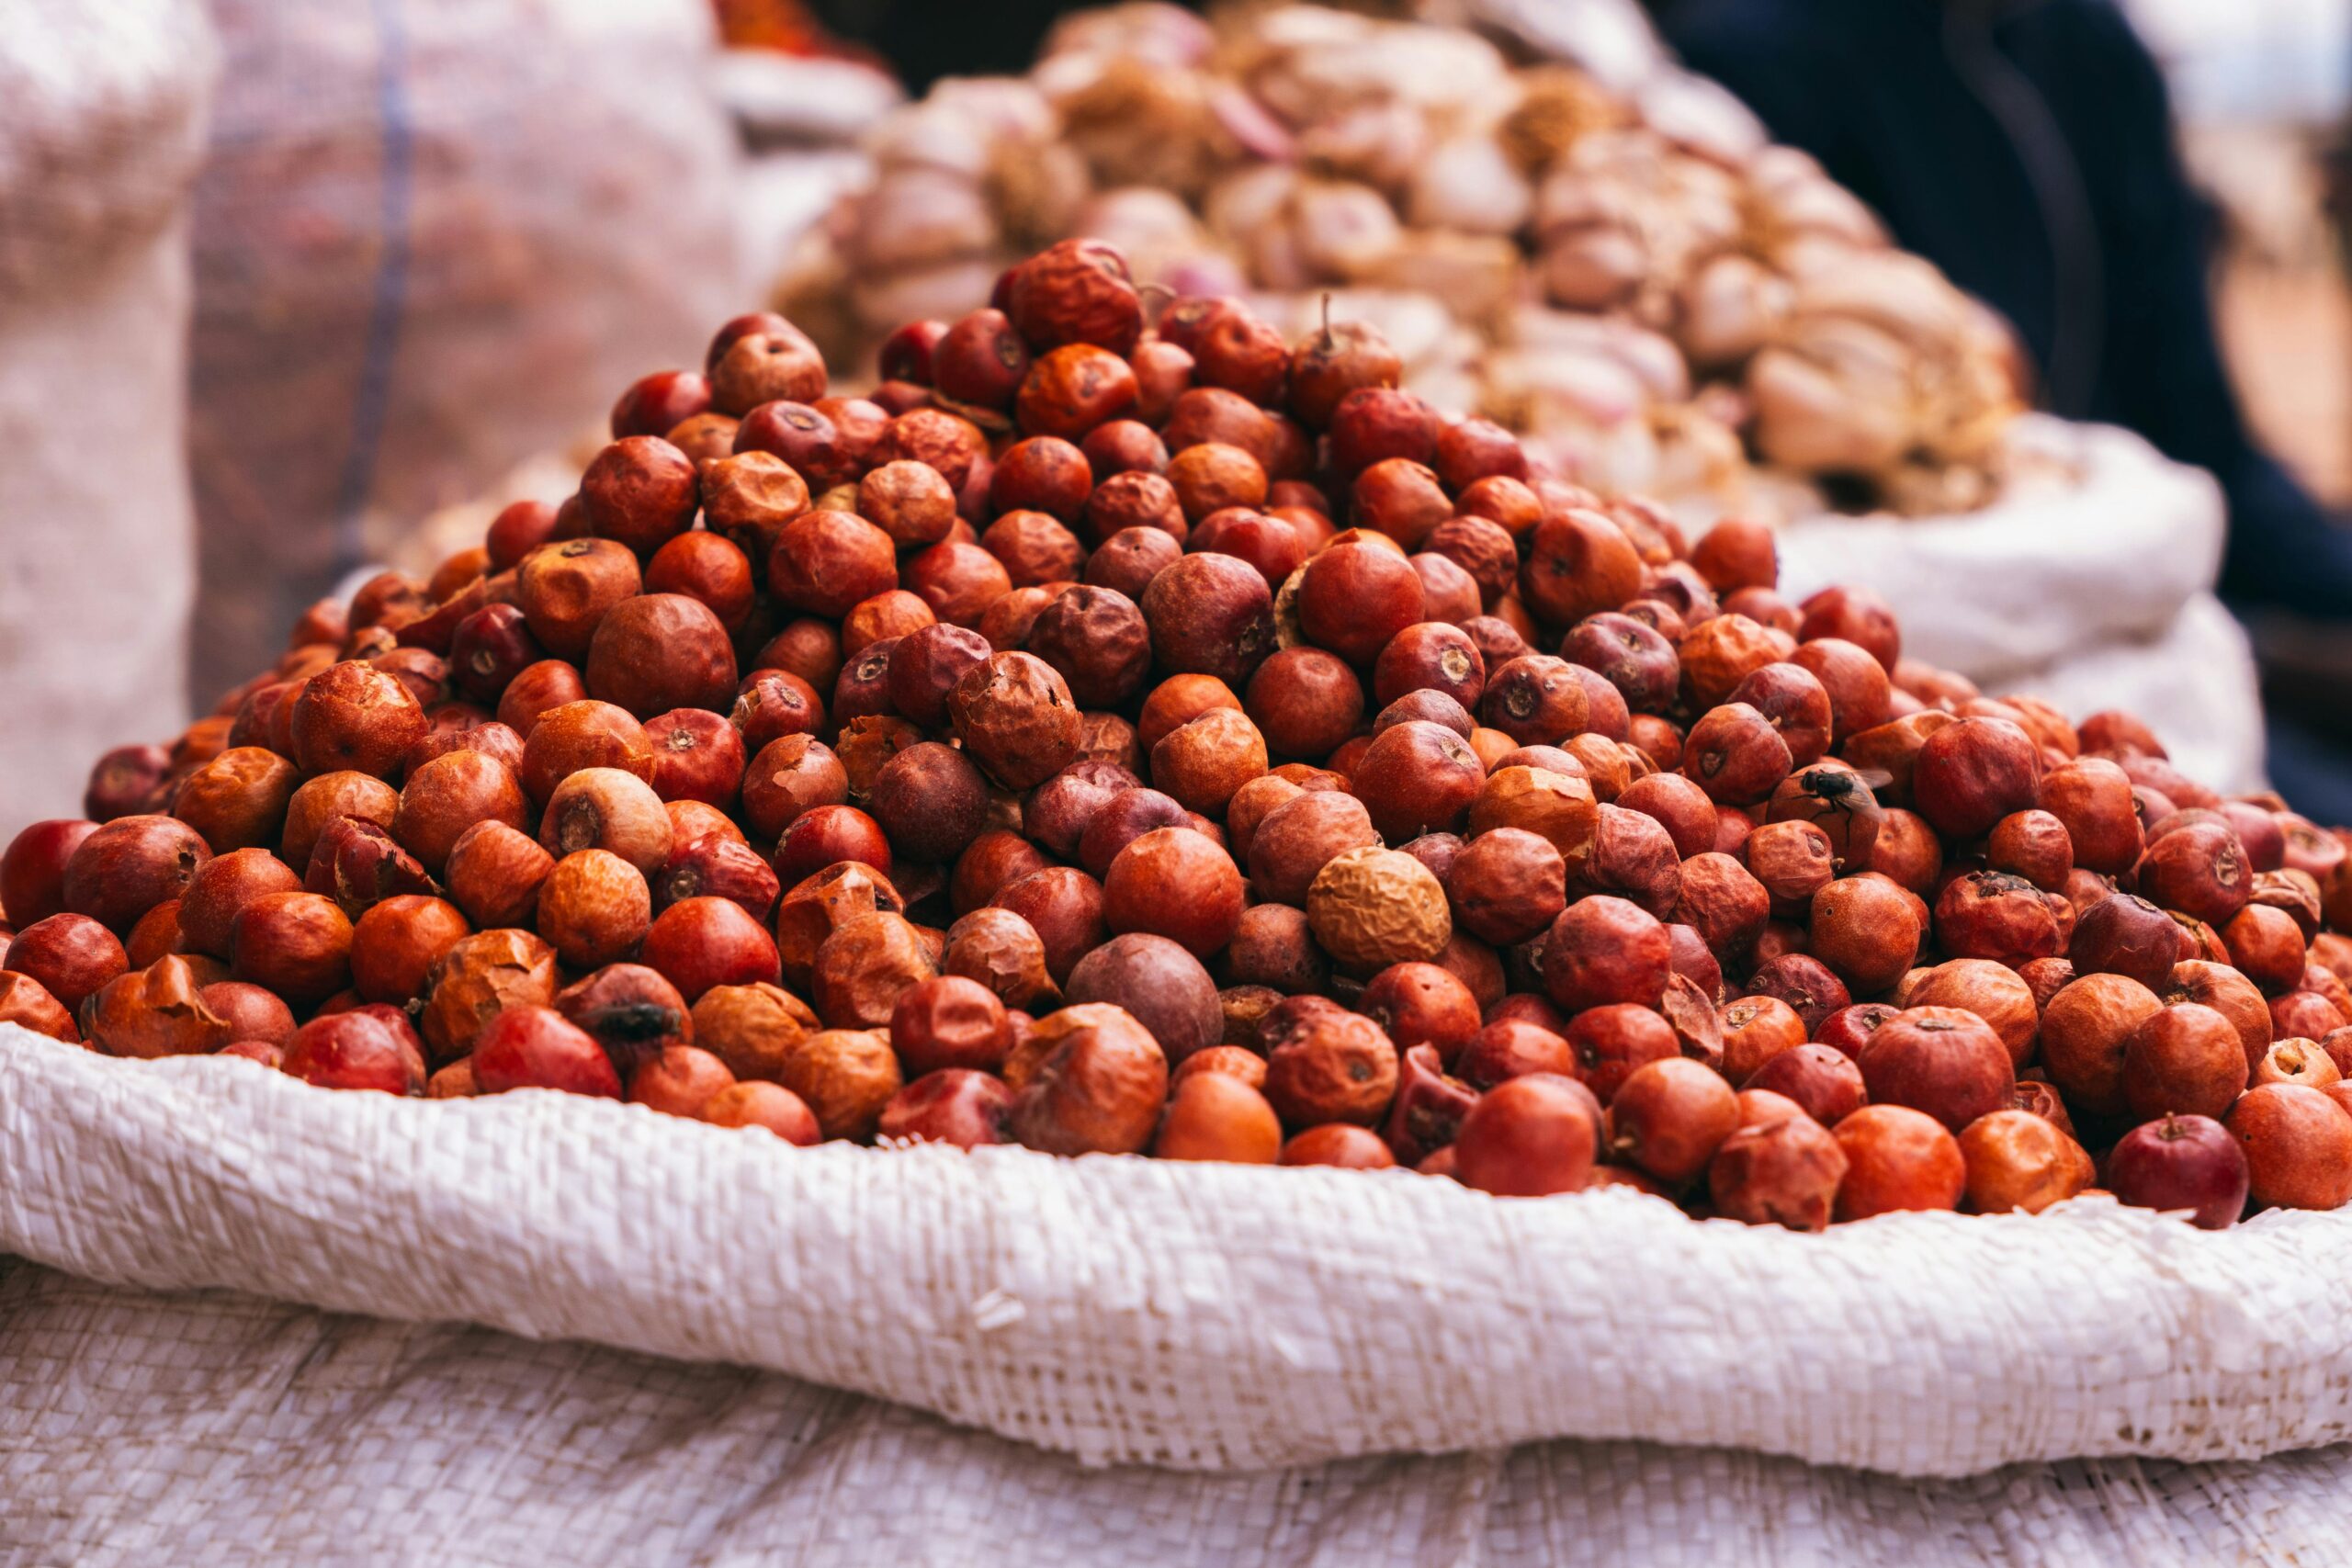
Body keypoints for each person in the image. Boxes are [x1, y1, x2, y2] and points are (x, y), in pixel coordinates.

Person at [1655, 0, 2352, 819]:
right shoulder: (1760, 50)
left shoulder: (2095, 46)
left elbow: (2203, 431)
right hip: (1938, 697)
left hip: (2167, 630)